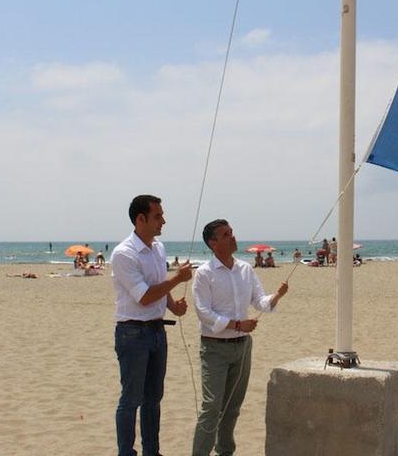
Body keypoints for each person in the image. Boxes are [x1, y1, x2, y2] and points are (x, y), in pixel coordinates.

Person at [192, 219, 289, 456]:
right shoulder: (204, 273)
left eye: (231, 232)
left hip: (242, 347)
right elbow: (203, 313)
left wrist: (277, 295)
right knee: (211, 407)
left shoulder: (245, 269)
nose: (232, 237)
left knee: (232, 407)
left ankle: (225, 451)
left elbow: (260, 302)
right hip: (214, 348)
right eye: (226, 234)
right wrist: (237, 324)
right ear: (213, 243)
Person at [112, 195, 192, 456]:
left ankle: (151, 451)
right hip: (132, 332)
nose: (163, 221)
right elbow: (144, 295)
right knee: (131, 399)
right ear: (140, 219)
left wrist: (173, 306)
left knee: (153, 399)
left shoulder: (158, 248)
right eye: (157, 216)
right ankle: (126, 452)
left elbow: (157, 285)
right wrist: (178, 279)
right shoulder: (124, 253)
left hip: (157, 331)